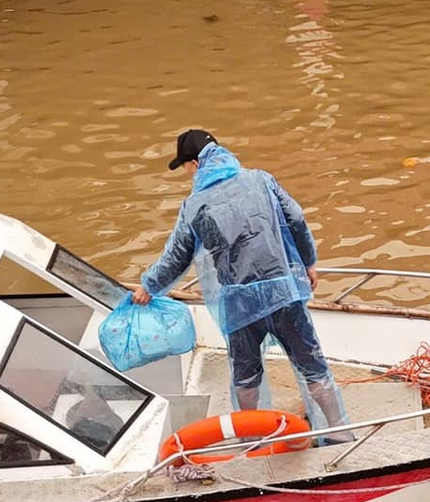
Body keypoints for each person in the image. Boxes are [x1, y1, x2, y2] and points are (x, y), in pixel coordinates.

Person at [137, 129, 349, 437]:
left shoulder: (194, 205)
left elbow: (176, 257)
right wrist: (308, 262)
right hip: (283, 294)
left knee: (246, 378)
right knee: (312, 366)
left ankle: (256, 438)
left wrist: (148, 287)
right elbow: (297, 218)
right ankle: (338, 430)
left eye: (185, 166)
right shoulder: (261, 179)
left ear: (195, 163)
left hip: (240, 306)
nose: (186, 173)